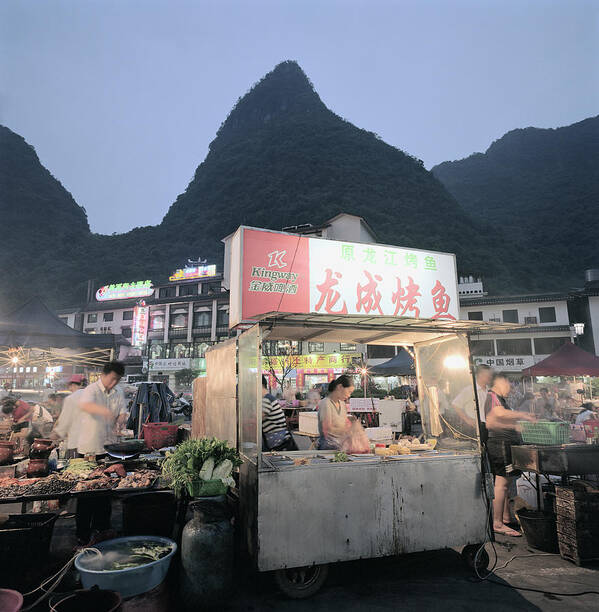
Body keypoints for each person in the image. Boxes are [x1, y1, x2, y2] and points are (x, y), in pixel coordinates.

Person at [75, 361, 127, 545]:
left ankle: (102, 529)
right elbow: (86, 406)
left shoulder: (118, 392)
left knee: (106, 490)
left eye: (117, 380)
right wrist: (105, 412)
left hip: (109, 447)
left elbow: (122, 412)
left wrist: (120, 422)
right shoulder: (91, 390)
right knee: (86, 492)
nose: (113, 383)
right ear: (104, 375)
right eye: (112, 379)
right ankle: (82, 534)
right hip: (90, 448)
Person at [485, 373, 536, 537]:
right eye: (509, 384)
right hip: (500, 444)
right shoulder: (492, 396)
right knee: (501, 483)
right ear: (500, 381)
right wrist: (523, 415)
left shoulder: (499, 399)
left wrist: (516, 427)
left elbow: (494, 421)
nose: (511, 388)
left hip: (503, 443)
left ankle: (506, 518)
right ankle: (497, 523)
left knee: (506, 484)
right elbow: (499, 414)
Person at [50, 375, 87, 458]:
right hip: (95, 443)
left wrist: (55, 435)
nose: (70, 389)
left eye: (69, 386)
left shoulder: (71, 398)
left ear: (73, 385)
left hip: (77, 443)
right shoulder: (94, 396)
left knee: (77, 467)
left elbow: (64, 423)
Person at [317, 375, 355, 450]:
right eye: (349, 391)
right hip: (328, 446)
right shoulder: (326, 403)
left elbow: (345, 423)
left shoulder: (342, 404)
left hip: (341, 444)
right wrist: (348, 431)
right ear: (340, 387)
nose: (349, 395)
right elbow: (327, 429)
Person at [452, 365, 492, 430]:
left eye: (490, 375)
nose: (490, 377)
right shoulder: (470, 390)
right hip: (473, 428)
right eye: (488, 375)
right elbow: (455, 404)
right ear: (480, 375)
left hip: (488, 426)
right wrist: (467, 420)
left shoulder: (489, 390)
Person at [262, 376, 297, 451]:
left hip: (279, 442)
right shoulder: (268, 398)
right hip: (280, 440)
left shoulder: (266, 400)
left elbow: (255, 420)